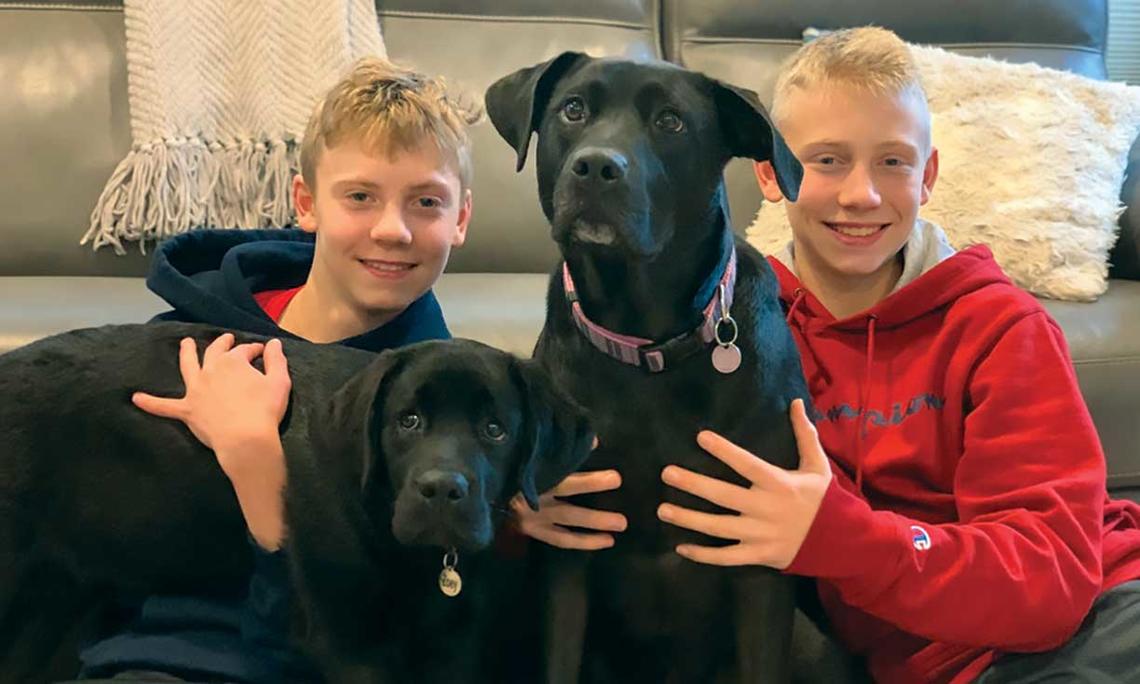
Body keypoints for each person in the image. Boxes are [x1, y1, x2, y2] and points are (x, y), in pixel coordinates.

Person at [516, 27, 1140, 684]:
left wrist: (841, 539)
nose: (860, 195)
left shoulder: (1000, 329)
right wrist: (524, 503)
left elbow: (1051, 589)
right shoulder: (732, 329)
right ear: (772, 173)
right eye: (828, 160)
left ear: (928, 177)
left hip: (1087, 624)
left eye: (893, 162)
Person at [76, 56, 478, 682]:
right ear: (306, 202)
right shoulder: (189, 339)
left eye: (426, 201)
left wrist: (257, 464)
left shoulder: (441, 410)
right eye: (360, 197)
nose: (393, 229)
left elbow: (359, 637)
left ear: (461, 219)